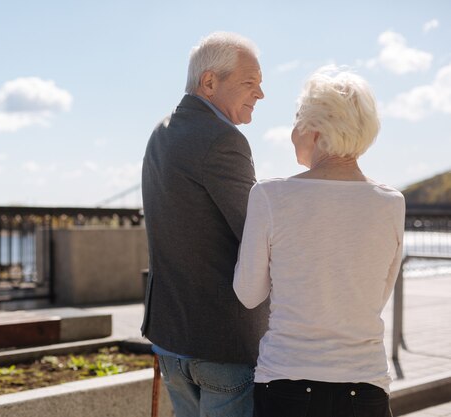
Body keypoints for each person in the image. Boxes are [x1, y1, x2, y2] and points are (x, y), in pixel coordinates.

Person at [233, 66, 405, 417]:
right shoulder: (391, 203)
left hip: (286, 383)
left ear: (314, 129)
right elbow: (376, 296)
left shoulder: (270, 195)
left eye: (297, 119)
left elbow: (248, 294)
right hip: (366, 383)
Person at [141, 32, 269, 417]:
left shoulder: (160, 133)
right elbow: (257, 234)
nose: (260, 95)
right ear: (210, 82)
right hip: (221, 344)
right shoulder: (223, 139)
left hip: (170, 339)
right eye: (250, 83)